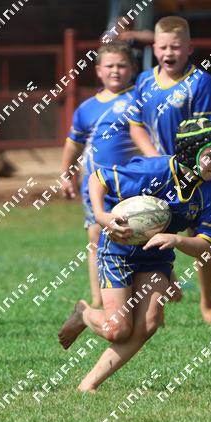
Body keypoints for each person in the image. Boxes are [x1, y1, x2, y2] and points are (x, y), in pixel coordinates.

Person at [58, 118, 211, 393]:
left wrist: (177, 240)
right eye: (210, 155)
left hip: (156, 259)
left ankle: (88, 385)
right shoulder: (155, 170)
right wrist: (101, 215)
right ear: (189, 153)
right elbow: (98, 179)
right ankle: (84, 313)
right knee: (117, 329)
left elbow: (207, 245)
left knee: (147, 325)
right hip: (119, 252)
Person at [127, 15, 211, 325]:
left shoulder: (201, 82)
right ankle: (164, 291)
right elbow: (135, 125)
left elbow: (204, 132)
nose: (169, 53)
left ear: (189, 48)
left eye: (176, 47)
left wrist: (189, 168)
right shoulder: (144, 81)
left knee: (201, 238)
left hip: (196, 172)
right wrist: (157, 161)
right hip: (157, 172)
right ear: (154, 48)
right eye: (163, 47)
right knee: (152, 228)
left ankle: (208, 303)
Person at [60, 41, 138, 308]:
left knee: (140, 231)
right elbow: (74, 143)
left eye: (122, 65)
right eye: (110, 66)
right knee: (96, 236)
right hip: (96, 184)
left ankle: (163, 281)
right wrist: (66, 174)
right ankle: (98, 297)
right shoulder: (86, 108)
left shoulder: (139, 99)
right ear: (98, 70)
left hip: (133, 181)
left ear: (132, 68)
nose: (116, 70)